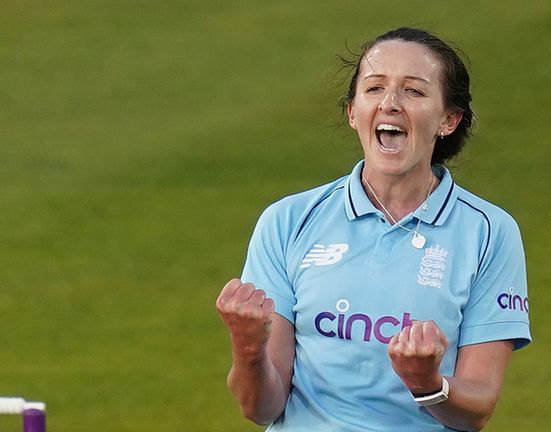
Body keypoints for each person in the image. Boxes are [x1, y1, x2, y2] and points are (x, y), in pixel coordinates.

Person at [216, 27, 531, 431]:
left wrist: (427, 383)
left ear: (448, 120)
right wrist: (248, 347)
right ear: (352, 112)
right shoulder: (288, 221)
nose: (390, 103)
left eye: (414, 91)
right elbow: (261, 408)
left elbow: (479, 405)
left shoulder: (489, 233)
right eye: (375, 88)